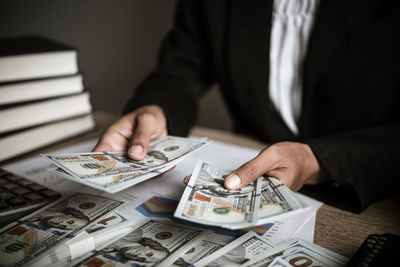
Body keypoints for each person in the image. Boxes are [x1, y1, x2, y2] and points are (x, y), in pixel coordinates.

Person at [94, 0, 400, 212]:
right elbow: (180, 68)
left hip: (369, 189)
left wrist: (319, 160)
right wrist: (156, 109)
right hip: (250, 161)